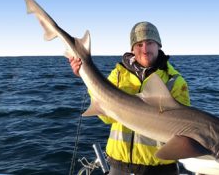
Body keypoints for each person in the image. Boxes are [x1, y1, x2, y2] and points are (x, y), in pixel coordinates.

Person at [69, 21, 191, 175]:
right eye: (139, 44)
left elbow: (184, 131)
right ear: (132, 48)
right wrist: (85, 75)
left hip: (159, 168)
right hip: (119, 165)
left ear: (159, 45)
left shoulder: (175, 81)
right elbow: (107, 118)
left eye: (150, 43)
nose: (145, 49)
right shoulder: (118, 74)